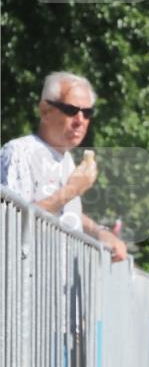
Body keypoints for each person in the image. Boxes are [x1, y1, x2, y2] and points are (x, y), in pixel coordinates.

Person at [1, 71, 127, 261]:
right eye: (70, 110)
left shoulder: (66, 159)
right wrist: (71, 190)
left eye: (87, 113)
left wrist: (100, 232)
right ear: (45, 111)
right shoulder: (20, 152)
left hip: (55, 286)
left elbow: (67, 213)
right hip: (25, 283)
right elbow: (13, 221)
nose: (80, 121)